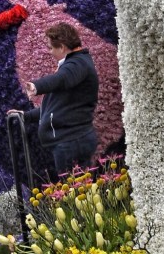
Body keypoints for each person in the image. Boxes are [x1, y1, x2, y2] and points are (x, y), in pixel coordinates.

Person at [8, 22, 99, 179]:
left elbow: (61, 79)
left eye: (51, 47)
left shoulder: (77, 64)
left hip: (71, 142)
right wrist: (25, 116)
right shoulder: (77, 63)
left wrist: (37, 86)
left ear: (62, 47)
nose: (50, 52)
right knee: (78, 195)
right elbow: (54, 107)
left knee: (75, 195)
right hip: (70, 141)